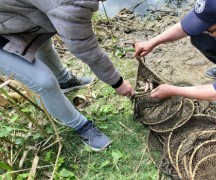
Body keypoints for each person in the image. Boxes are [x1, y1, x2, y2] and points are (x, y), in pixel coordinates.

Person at [0, 1, 135, 151]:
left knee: (42, 43)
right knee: (44, 82)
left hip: (10, 18)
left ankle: (65, 81)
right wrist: (118, 83)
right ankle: (80, 125)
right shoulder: (70, 4)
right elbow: (87, 50)